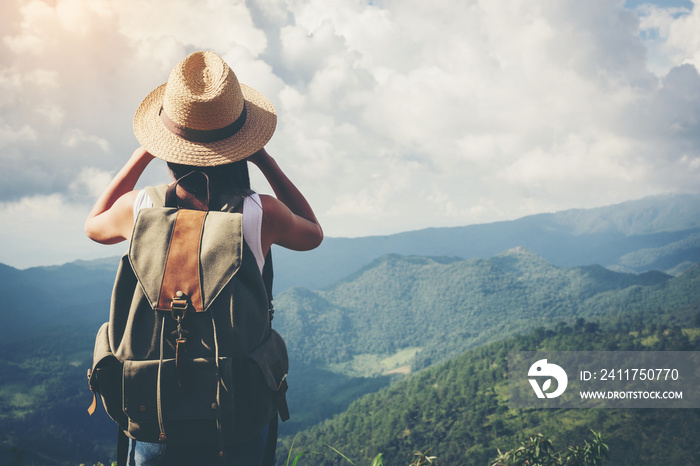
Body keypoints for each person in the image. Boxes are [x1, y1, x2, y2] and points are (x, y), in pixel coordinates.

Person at [85, 51, 323, 465]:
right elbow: (312, 232)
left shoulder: (138, 208)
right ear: (242, 143)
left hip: (153, 413)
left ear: (167, 142)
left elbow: (93, 224)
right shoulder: (259, 213)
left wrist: (144, 151)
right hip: (236, 417)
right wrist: (264, 158)